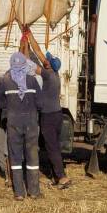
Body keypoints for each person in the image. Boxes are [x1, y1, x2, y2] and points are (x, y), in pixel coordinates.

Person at [0, 51, 43, 200]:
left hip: (13, 122)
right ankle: (34, 192)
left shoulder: (5, 81)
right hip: (30, 122)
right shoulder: (32, 81)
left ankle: (19, 193)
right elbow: (40, 103)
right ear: (24, 64)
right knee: (32, 156)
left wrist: (10, 108)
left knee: (15, 157)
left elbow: (0, 102)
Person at [38, 52, 71, 188]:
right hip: (56, 114)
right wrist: (29, 36)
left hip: (49, 116)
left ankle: (62, 178)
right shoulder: (55, 74)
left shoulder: (48, 75)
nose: (45, 61)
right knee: (54, 146)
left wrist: (25, 45)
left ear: (49, 65)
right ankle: (56, 177)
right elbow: (42, 58)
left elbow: (30, 63)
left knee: (52, 148)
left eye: (48, 60)